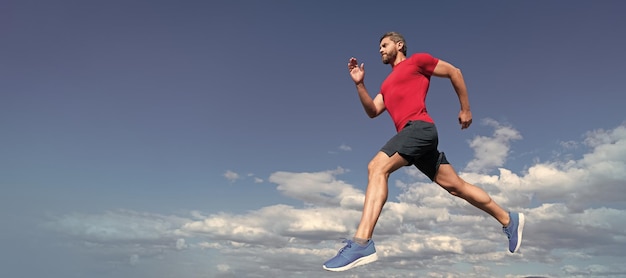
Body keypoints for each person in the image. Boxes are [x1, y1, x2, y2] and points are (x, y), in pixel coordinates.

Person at [322, 32, 525, 272]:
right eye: (379, 47)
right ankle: (508, 219)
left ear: (399, 45)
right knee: (455, 186)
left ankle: (361, 242)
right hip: (414, 139)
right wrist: (360, 84)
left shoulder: (417, 61)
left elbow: (454, 72)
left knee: (376, 167)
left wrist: (466, 108)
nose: (380, 50)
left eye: (384, 45)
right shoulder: (386, 85)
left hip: (419, 128)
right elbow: (373, 110)